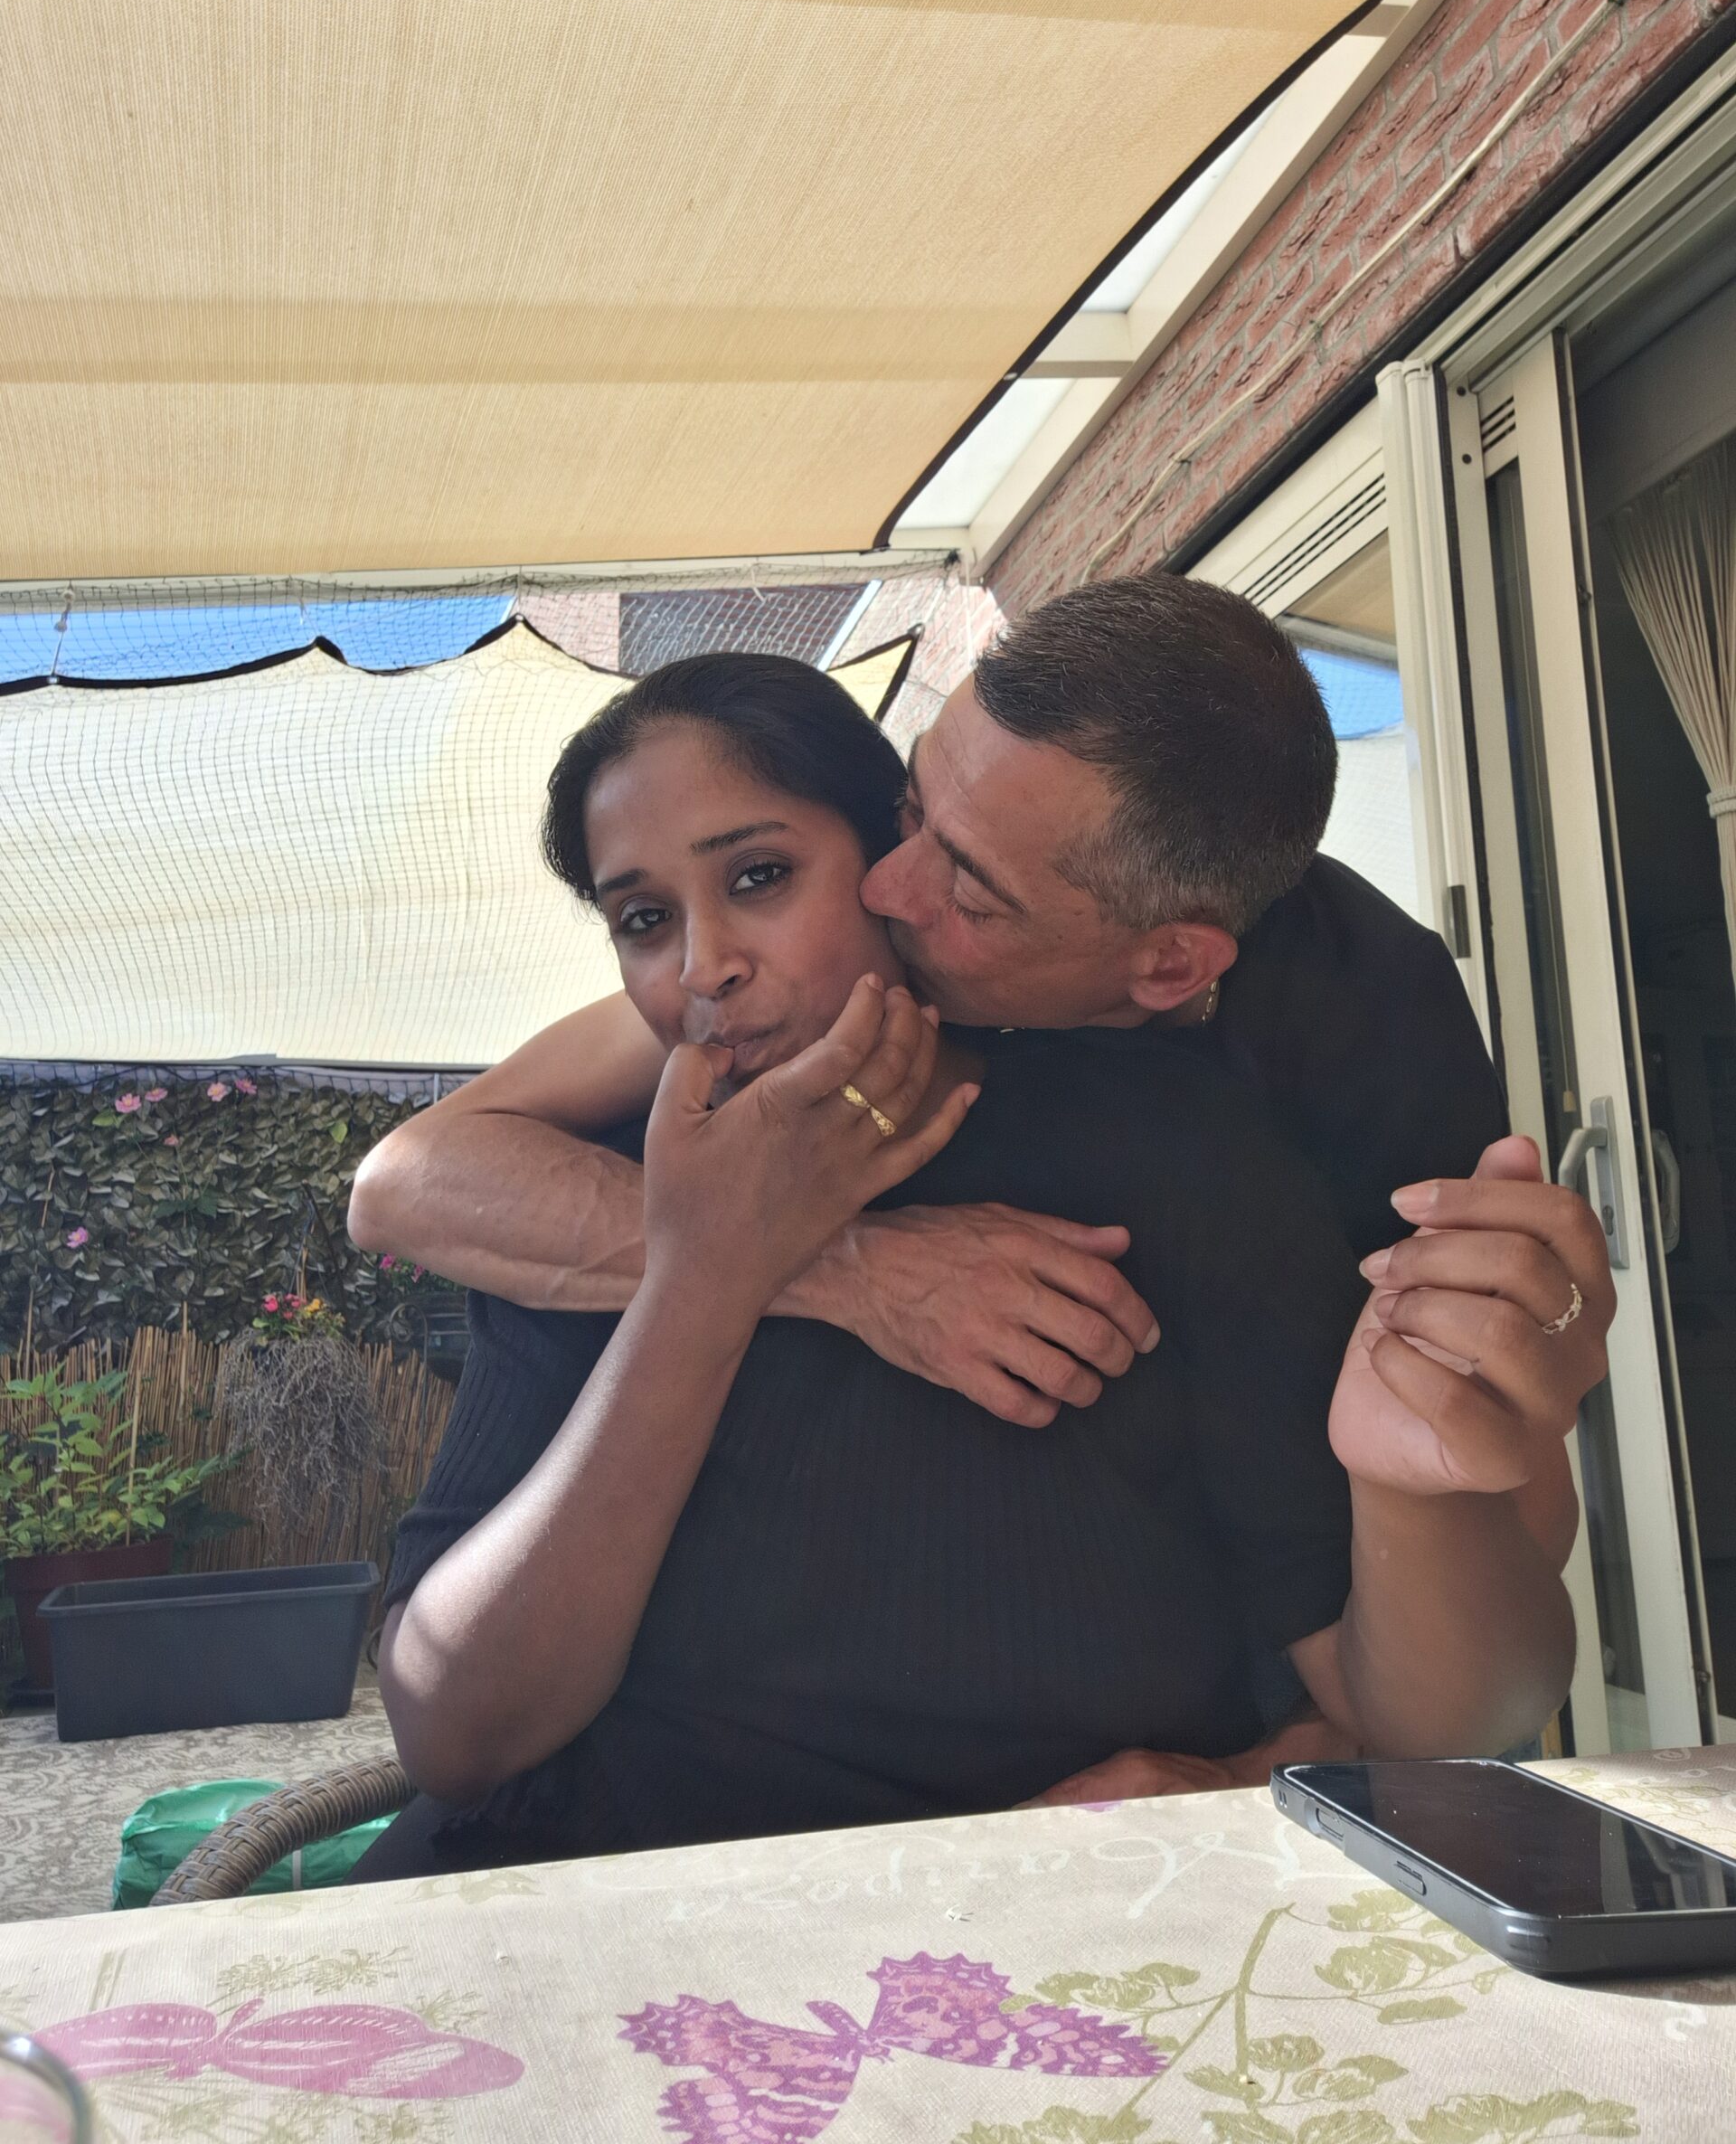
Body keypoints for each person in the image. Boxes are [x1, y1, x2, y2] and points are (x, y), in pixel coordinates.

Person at [353, 571, 1613, 1809]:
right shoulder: (717, 1072)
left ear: (1168, 966)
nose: (890, 888)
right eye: (907, 810)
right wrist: (829, 1265)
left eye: (962, 883)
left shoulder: (1325, 1060)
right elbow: (411, 1180)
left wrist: (1265, 1771)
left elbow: (1472, 1513)